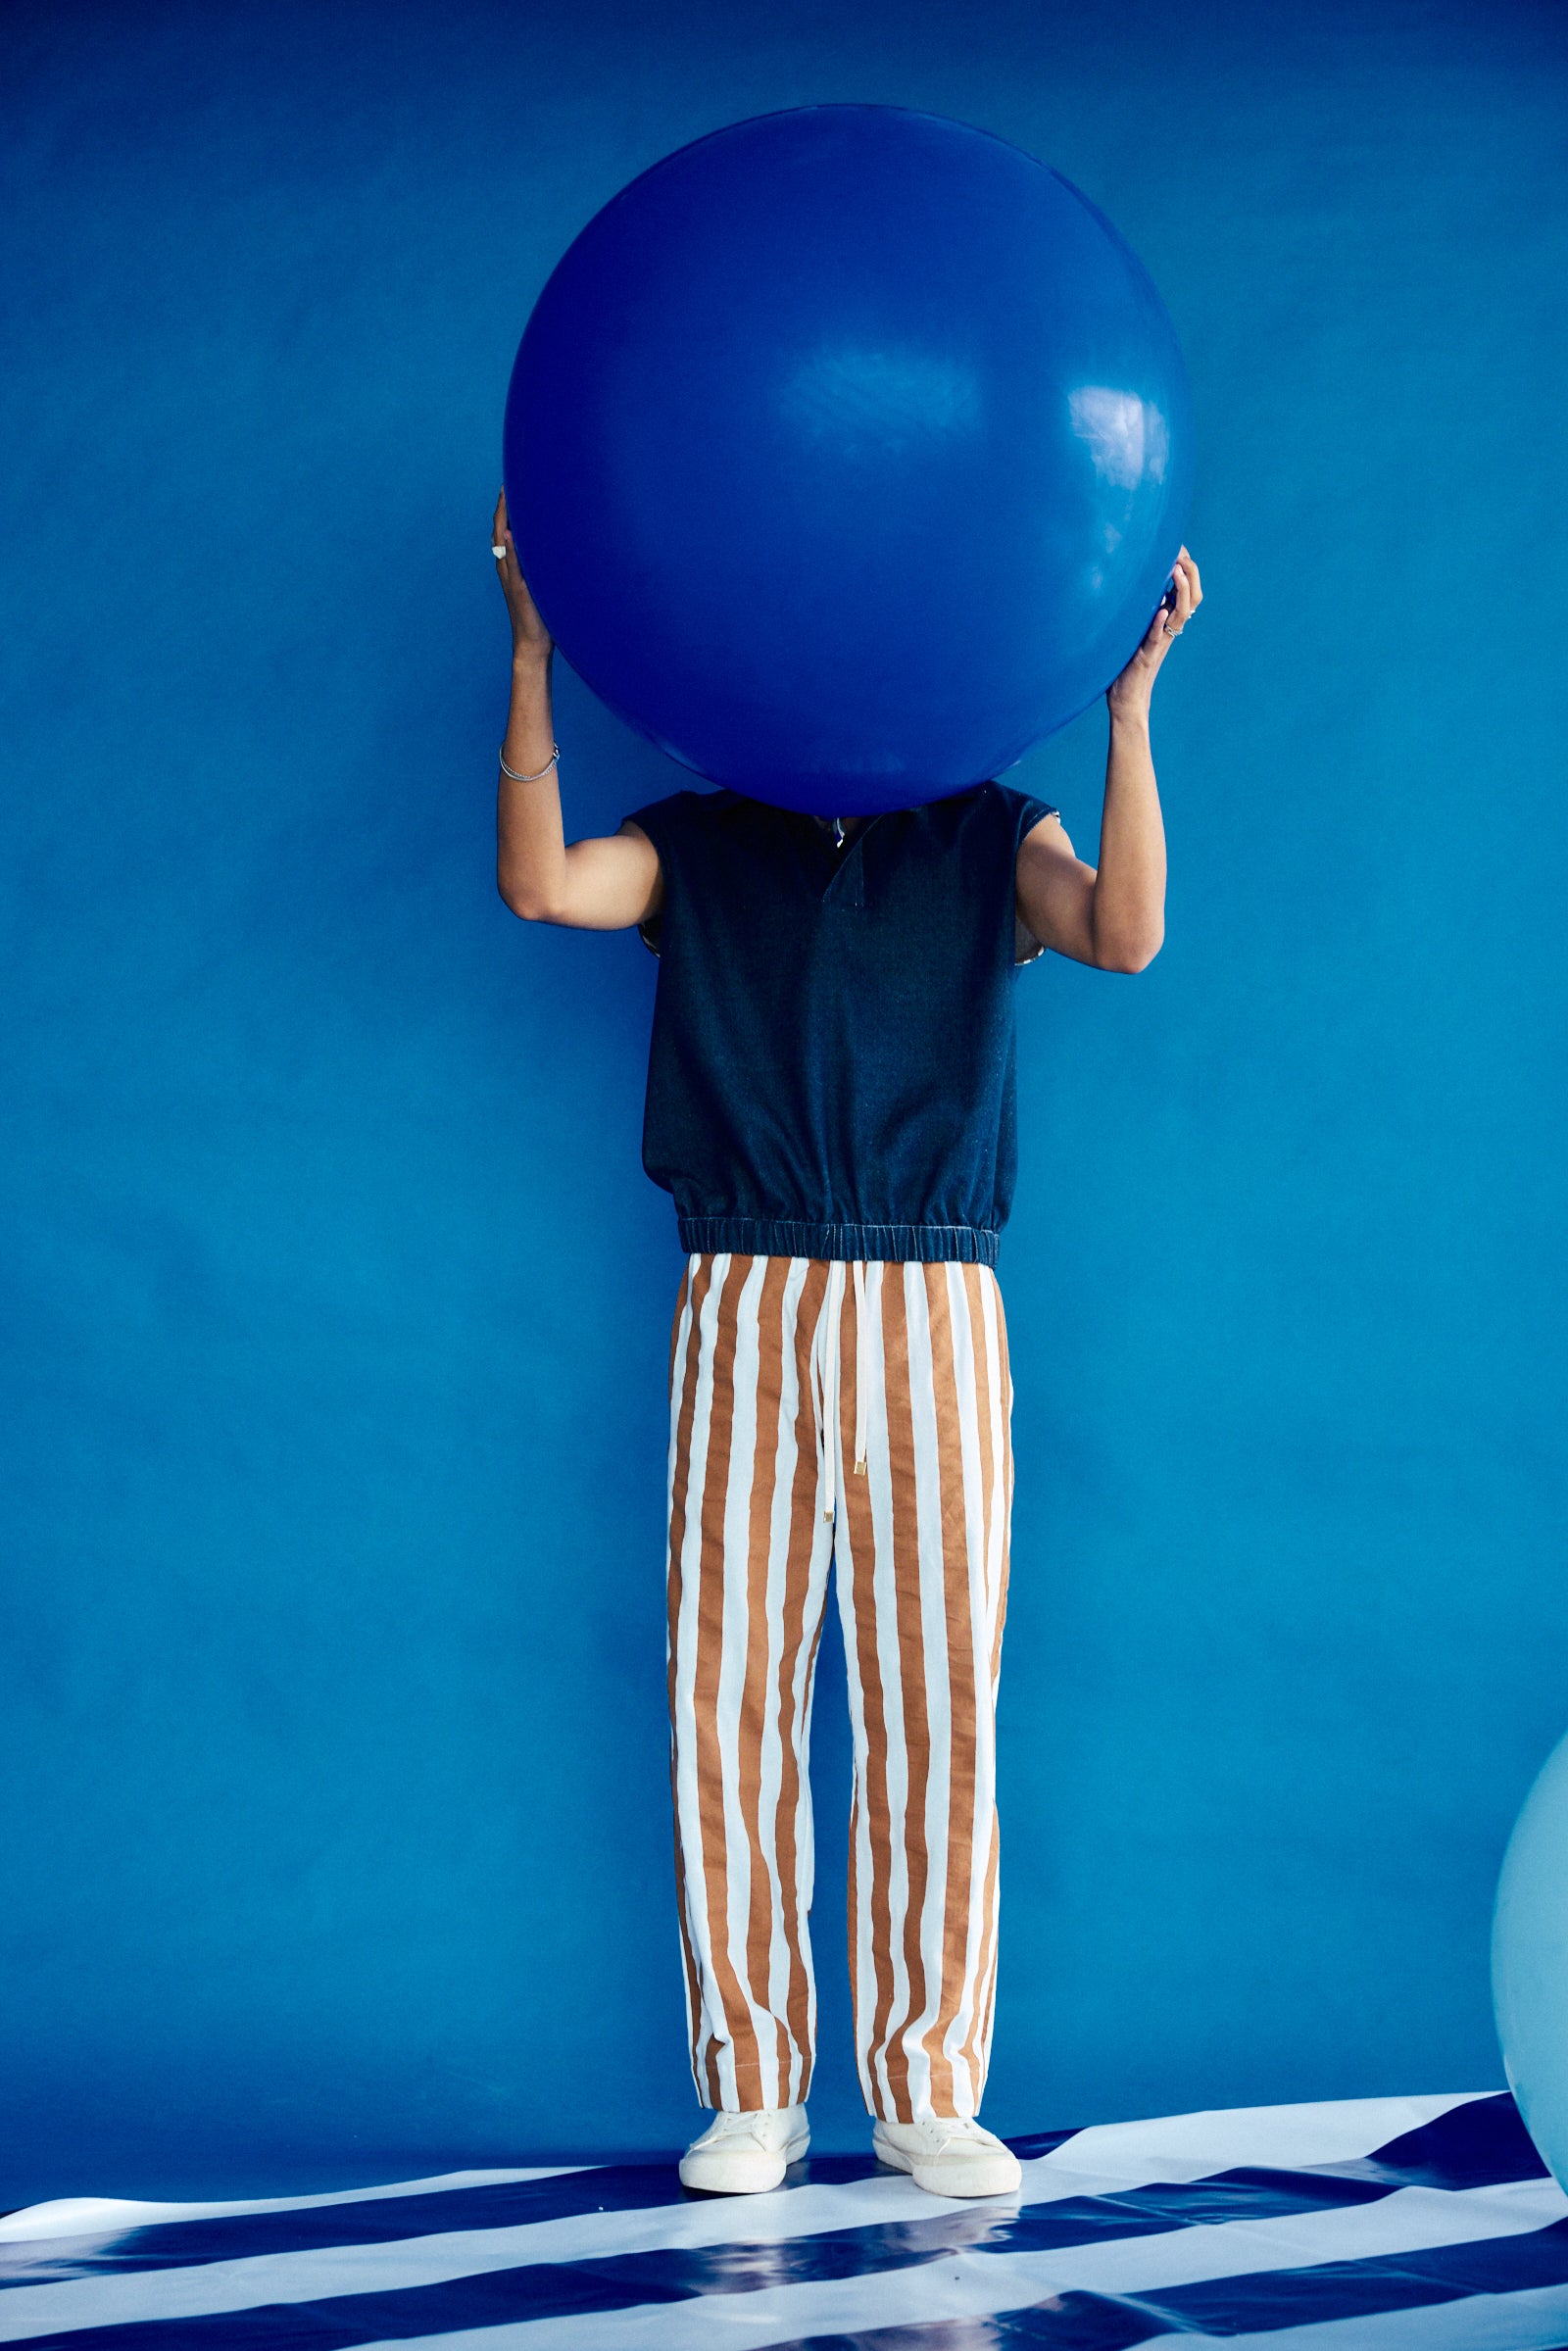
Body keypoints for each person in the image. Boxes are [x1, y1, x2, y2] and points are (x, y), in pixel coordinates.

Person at [490, 488, 1200, 2199]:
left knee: (936, 1698)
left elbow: (1125, 933)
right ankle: (752, 2088)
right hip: (743, 1289)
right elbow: (538, 886)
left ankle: (929, 2088)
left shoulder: (983, 837)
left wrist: (1129, 711)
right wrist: (529, 652)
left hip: (937, 1297)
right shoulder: (701, 840)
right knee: (724, 1694)